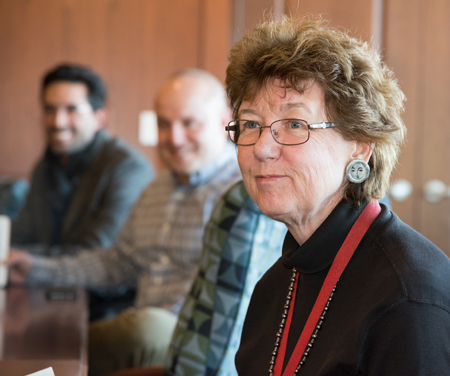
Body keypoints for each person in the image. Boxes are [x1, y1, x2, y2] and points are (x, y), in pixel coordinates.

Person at [224, 18, 450, 375]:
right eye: (251, 124)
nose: (263, 148)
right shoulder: (273, 288)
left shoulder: (408, 296)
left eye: (295, 124)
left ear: (359, 146)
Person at [6, 69, 242, 376]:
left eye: (189, 123)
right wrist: (36, 268)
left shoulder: (244, 192)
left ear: (225, 121)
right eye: (164, 124)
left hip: (195, 346)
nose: (174, 138)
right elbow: (117, 263)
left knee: (116, 331)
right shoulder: (158, 188)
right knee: (45, 338)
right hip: (140, 333)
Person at [11, 63, 154, 257]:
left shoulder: (128, 168)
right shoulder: (44, 166)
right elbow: (22, 236)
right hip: (46, 284)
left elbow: (99, 255)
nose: (57, 121)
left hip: (98, 286)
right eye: (50, 109)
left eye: (72, 110)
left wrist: (27, 260)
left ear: (100, 118)